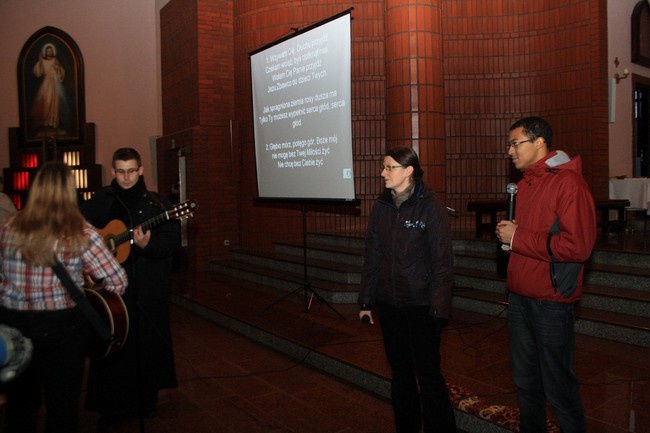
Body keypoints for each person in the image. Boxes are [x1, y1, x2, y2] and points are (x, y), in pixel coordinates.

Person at [0, 162, 128, 433]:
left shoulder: (8, 226)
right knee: (63, 406)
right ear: (70, 192)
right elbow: (118, 282)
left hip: (13, 325)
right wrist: (85, 285)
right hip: (62, 328)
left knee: (20, 407)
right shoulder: (82, 232)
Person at [495, 117, 597, 433]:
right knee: (526, 385)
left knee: (558, 388)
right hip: (520, 297)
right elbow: (531, 237)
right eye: (509, 144)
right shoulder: (525, 184)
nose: (510, 150)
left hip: (551, 302)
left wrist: (518, 237)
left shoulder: (568, 184)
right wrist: (511, 240)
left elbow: (578, 246)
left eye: (515, 143)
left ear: (539, 142)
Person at [358, 146, 457, 433]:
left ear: (409, 170)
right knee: (400, 374)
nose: (383, 173)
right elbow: (373, 255)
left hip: (422, 306)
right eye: (384, 167)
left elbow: (442, 262)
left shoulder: (431, 207)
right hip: (390, 303)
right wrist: (366, 300)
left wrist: (439, 309)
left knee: (428, 374)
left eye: (389, 167)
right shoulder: (382, 207)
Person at [82, 147, 179, 425]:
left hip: (147, 290)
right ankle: (109, 406)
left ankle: (146, 402)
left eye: (131, 171)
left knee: (146, 348)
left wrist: (150, 245)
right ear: (113, 171)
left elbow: (171, 242)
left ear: (141, 170)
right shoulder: (101, 200)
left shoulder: (158, 204)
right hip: (109, 292)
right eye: (121, 172)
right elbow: (79, 232)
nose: (126, 178)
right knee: (113, 347)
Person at [30, 43, 66, 131]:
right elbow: (37, 72)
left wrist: (57, 68)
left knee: (55, 102)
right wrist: (39, 62)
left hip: (54, 83)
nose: (49, 53)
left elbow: (61, 71)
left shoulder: (55, 60)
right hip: (46, 83)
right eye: (48, 51)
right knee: (47, 101)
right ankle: (45, 122)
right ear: (45, 52)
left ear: (52, 52)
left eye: (50, 51)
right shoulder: (42, 61)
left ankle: (53, 121)